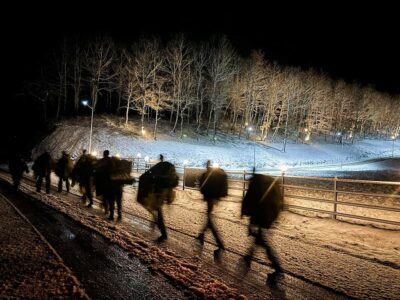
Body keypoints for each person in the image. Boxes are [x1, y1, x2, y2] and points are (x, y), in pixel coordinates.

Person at [241, 173, 283, 286]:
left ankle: (277, 268)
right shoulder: (265, 186)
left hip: (259, 215)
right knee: (259, 238)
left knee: (262, 241)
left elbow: (248, 199)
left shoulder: (255, 186)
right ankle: (249, 256)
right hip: (267, 215)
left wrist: (243, 212)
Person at [137, 155, 178, 242]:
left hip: (159, 195)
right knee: (157, 211)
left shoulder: (160, 169)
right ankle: (158, 225)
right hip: (162, 195)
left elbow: (152, 179)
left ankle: (163, 234)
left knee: (158, 213)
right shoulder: (168, 171)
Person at [196, 160, 228, 260]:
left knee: (210, 219)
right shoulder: (215, 174)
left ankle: (220, 244)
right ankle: (202, 234)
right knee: (209, 217)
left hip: (210, 198)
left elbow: (203, 186)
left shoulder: (207, 174)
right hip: (214, 197)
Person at [94, 150, 114, 216]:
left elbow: (97, 168)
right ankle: (108, 209)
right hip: (110, 181)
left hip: (103, 181)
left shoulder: (102, 160)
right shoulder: (111, 161)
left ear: (104, 154)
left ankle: (106, 208)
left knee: (105, 195)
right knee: (109, 196)